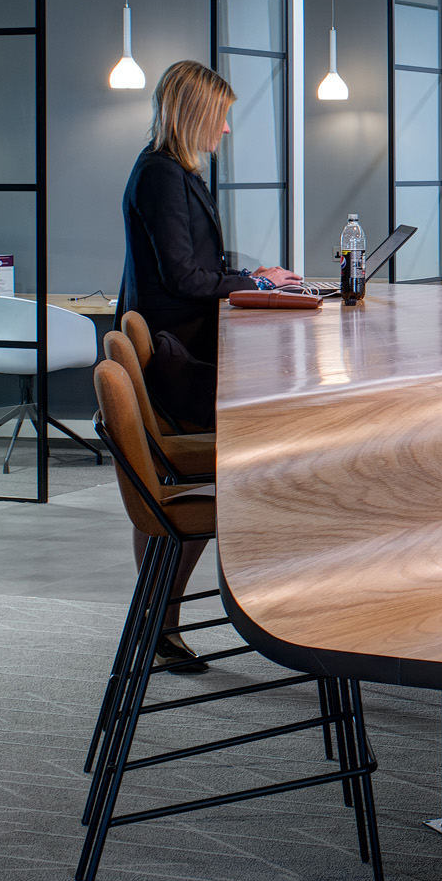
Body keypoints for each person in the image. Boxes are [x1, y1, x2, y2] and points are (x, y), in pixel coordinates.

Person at [118, 61, 296, 671]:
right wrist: (251, 281)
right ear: (196, 113)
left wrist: (253, 276)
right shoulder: (162, 176)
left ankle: (160, 617)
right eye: (220, 114)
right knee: (260, 446)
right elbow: (184, 277)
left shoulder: (171, 172)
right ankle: (168, 617)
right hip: (176, 359)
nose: (225, 128)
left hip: (181, 347)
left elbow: (195, 260)